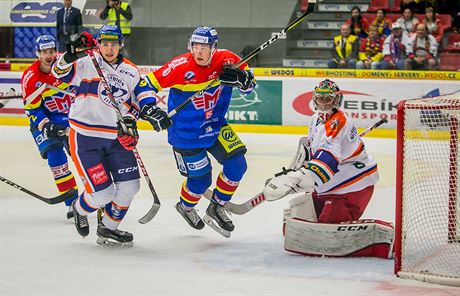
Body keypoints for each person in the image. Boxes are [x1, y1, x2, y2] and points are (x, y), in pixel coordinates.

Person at [140, 26, 256, 236]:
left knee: (237, 165)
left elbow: (250, 84)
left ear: (214, 47)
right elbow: (145, 84)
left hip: (216, 126)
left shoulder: (228, 59)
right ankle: (185, 207)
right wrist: (149, 108)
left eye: (204, 47)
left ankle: (217, 205)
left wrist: (242, 79)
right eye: (196, 47)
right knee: (201, 180)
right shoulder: (179, 66)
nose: (199, 52)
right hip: (186, 135)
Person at [263, 79, 393, 258]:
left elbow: (328, 159)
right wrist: (296, 172)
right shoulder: (315, 119)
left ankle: (382, 241)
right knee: (300, 215)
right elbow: (314, 150)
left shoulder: (336, 122)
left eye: (328, 99)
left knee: (327, 228)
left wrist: (302, 178)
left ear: (336, 100)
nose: (323, 103)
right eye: (320, 98)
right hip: (336, 178)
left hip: (355, 182)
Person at [51, 25, 155, 246]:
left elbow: (142, 97)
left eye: (114, 44)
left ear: (121, 44)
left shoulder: (131, 71)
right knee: (102, 194)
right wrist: (69, 55)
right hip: (85, 137)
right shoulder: (85, 63)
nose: (109, 49)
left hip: (116, 139)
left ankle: (108, 228)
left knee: (130, 187)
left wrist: (135, 121)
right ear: (98, 44)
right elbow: (57, 73)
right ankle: (79, 208)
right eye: (105, 44)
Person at [21, 35, 78, 218]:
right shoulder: (31, 78)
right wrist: (45, 124)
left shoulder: (66, 65)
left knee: (82, 157)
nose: (49, 55)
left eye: (52, 51)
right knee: (57, 161)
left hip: (70, 120)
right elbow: (32, 109)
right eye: (44, 52)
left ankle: (97, 195)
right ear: (38, 54)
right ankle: (72, 202)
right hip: (44, 122)